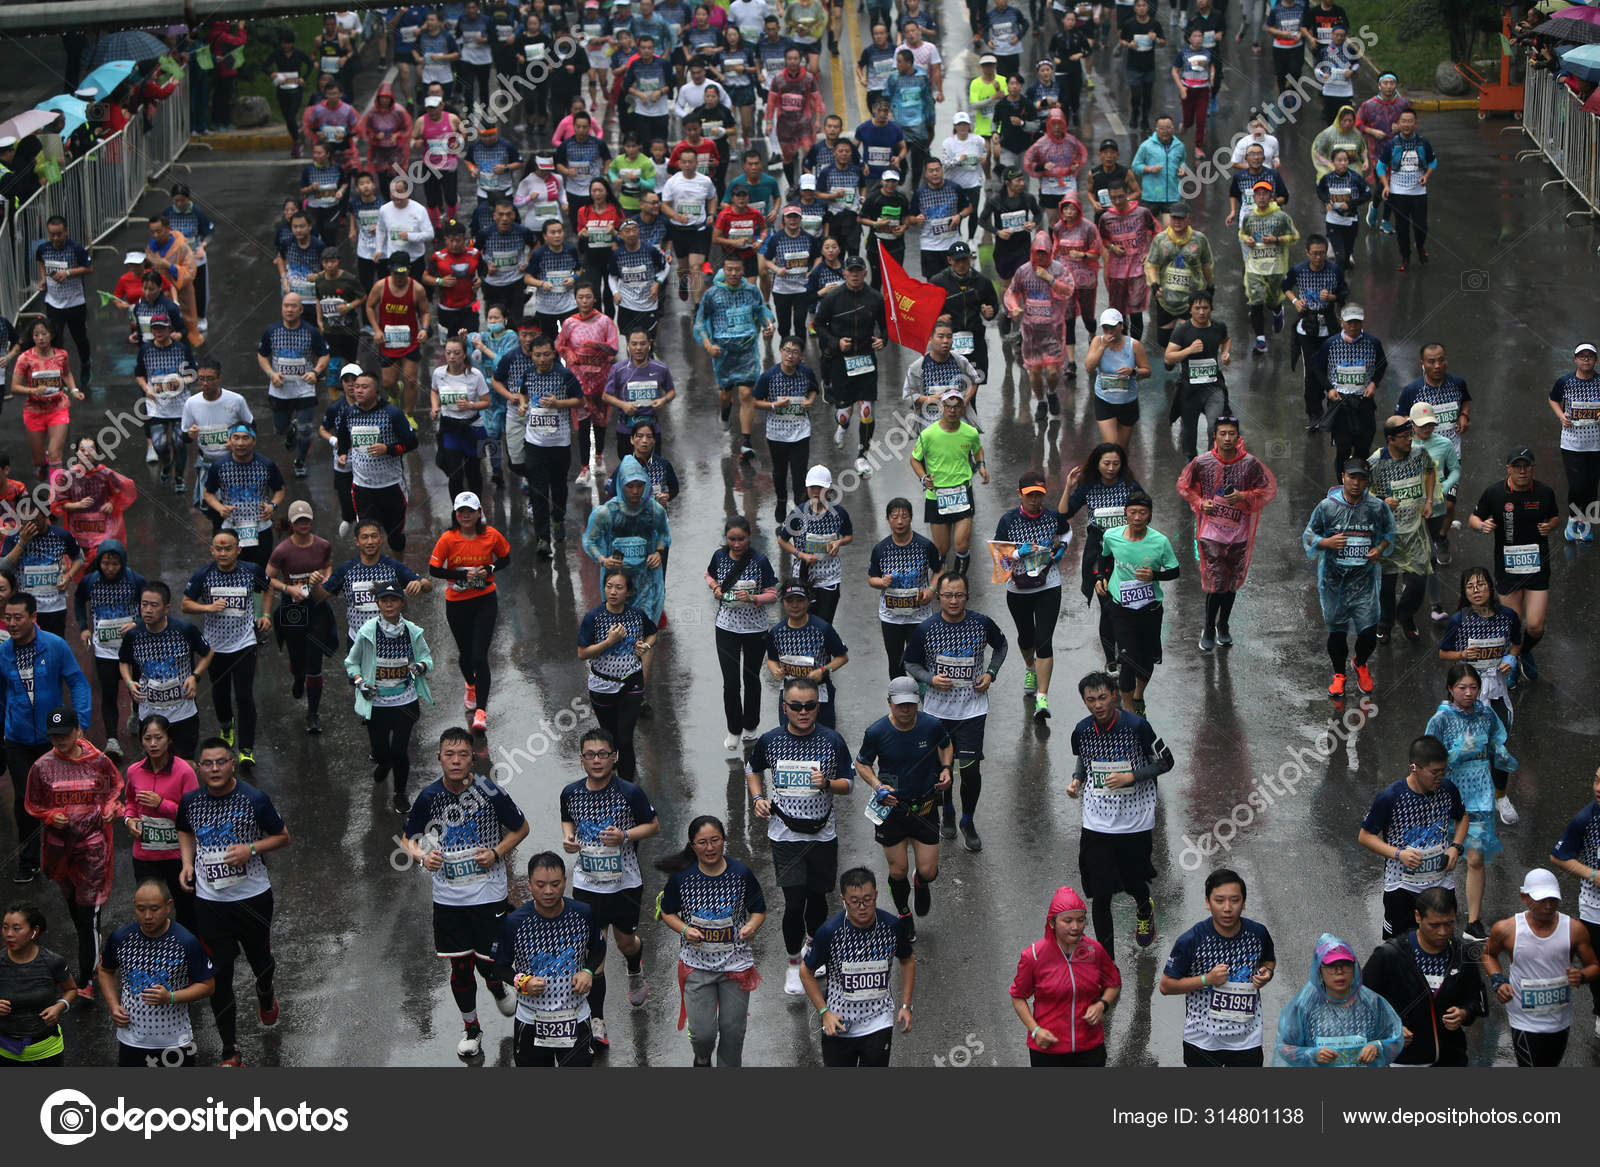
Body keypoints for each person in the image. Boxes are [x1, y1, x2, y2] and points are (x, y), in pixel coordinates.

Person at [400, 726, 525, 1060]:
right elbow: (408, 838)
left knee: (490, 965)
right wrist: (423, 856)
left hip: (488, 895)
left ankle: (497, 985)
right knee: (459, 968)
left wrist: (497, 852)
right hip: (448, 899)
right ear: (439, 758)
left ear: (473, 759)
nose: (456, 761)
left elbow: (521, 828)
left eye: (463, 755)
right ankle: (471, 1028)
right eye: (449, 754)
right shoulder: (428, 797)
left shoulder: (490, 792)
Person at [177, 739, 290, 1067]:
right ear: (199, 767)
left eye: (220, 762)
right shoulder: (191, 801)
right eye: (207, 764)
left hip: (252, 898)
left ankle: (265, 991)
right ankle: (230, 1049)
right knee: (219, 974)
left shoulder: (254, 799)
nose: (214, 769)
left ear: (231, 764)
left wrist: (252, 849)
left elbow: (283, 836)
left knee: (261, 962)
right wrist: (187, 863)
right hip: (210, 903)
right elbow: (184, 830)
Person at [744, 676, 852, 996]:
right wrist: (757, 798)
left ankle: (812, 948)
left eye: (810, 706)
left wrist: (828, 785)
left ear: (818, 707)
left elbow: (849, 784)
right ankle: (793, 965)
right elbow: (752, 768)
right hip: (785, 835)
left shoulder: (832, 741)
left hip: (821, 834)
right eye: (796, 706)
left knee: (818, 899)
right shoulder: (771, 740)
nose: (803, 712)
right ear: (785, 708)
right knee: (793, 903)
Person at [559, 728, 660, 1051]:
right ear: (581, 760)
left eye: (603, 754)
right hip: (587, 884)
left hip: (625, 883)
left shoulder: (630, 792)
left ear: (614, 757)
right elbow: (567, 820)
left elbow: (653, 826)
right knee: (594, 952)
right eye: (590, 755)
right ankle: (597, 1022)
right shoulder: (571, 793)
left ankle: (634, 967)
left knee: (625, 941)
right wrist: (569, 839)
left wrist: (626, 836)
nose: (597, 760)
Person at [1067, 669, 1173, 949]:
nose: (1097, 704)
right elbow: (1084, 759)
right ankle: (1107, 964)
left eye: (1102, 697)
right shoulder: (1082, 730)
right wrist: (1077, 780)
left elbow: (1166, 762)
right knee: (1101, 894)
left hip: (1134, 820)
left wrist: (1132, 776)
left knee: (1133, 882)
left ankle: (1143, 907)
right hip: (1096, 821)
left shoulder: (1138, 727)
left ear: (1114, 696)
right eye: (1091, 700)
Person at [902, 571, 1007, 851]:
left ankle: (968, 820)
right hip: (937, 712)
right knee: (940, 769)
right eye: (948, 595)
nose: (953, 601)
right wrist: (930, 679)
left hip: (972, 710)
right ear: (939, 597)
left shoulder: (981, 623)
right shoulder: (926, 628)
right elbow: (910, 663)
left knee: (971, 772)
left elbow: (1002, 645)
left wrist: (991, 673)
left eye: (959, 595)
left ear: (967, 596)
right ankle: (947, 811)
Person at [24, 708, 122, 996]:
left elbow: (113, 790)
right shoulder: (42, 767)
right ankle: (93, 951)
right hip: (59, 851)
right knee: (77, 914)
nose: (60, 741)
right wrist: (50, 815)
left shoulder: (99, 762)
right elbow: (33, 802)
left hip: (92, 850)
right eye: (54, 736)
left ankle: (88, 980)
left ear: (78, 731)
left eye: (65, 735)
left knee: (86, 913)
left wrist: (109, 808)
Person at [656, 816, 765, 1066]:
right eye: (702, 842)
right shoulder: (682, 878)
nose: (710, 847)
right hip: (697, 967)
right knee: (704, 1034)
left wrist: (751, 926)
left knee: (733, 1033)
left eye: (715, 840)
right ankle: (702, 1057)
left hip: (735, 967)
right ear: (692, 846)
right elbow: (667, 912)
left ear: (723, 841)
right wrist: (685, 930)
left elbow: (759, 910)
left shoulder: (741, 874)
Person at [0, 590, 93, 884]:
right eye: (7, 617)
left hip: (54, 737)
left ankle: (72, 852)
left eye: (18, 617)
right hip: (17, 739)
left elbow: (77, 682)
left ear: (33, 618)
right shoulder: (3, 653)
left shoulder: (54, 646)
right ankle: (28, 861)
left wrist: (80, 722)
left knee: (62, 794)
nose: (12, 623)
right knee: (25, 799)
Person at [856, 676, 952, 940]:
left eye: (911, 704)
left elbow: (945, 745)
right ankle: (903, 914)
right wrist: (877, 786)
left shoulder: (931, 725)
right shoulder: (876, 732)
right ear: (889, 703)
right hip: (893, 809)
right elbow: (862, 763)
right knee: (897, 871)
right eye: (900, 705)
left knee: (928, 871)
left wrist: (946, 769)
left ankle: (920, 882)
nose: (906, 710)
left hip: (925, 806)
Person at [490, 853, 604, 1068]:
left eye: (555, 884)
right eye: (541, 885)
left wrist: (588, 971)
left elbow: (599, 949)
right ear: (530, 885)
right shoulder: (514, 923)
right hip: (531, 1021)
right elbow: (498, 966)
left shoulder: (583, 914)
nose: (549, 891)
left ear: (565, 882)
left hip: (576, 1018)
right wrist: (522, 982)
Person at [1176, 417, 1276, 652]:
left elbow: (1267, 489)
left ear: (1238, 436)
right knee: (1216, 582)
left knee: (1231, 584)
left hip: (1239, 532)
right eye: (1223, 434)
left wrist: (1244, 496)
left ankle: (1224, 624)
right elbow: (1184, 486)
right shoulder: (1202, 462)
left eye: (1232, 434)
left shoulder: (1251, 464)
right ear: (1215, 436)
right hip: (1211, 533)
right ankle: (1209, 628)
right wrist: (1201, 502)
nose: (1228, 439)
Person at [1482, 868, 1600, 1066]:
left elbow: (1595, 966)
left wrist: (1581, 976)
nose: (1548, 906)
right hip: (1523, 1020)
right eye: (1541, 900)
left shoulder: (1574, 929)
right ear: (1524, 897)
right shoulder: (1507, 929)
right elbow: (1488, 954)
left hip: (1560, 1020)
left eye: (1553, 900)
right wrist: (1498, 980)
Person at [1159, 869, 1277, 1066]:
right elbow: (1166, 986)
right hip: (1202, 1040)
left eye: (1235, 900)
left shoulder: (1258, 933)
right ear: (1208, 902)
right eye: (1219, 900)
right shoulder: (1191, 940)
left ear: (1244, 902)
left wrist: (1267, 973)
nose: (1227, 908)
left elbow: (1268, 960)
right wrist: (1207, 980)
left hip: (1247, 1041)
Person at [799, 868, 915, 1066]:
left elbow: (907, 960)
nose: (862, 907)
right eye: (855, 901)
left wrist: (905, 1005)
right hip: (839, 1023)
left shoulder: (891, 927)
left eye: (868, 899)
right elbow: (806, 972)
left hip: (879, 1021)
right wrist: (824, 1012)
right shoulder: (829, 932)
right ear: (844, 900)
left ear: (876, 895)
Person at [1361, 886, 1487, 1067]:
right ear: (1418, 917)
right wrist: (1389, 1028)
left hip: (1451, 1059)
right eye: (1434, 925)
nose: (1443, 932)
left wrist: (1464, 1013)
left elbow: (1476, 1000)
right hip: (1402, 1061)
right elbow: (1361, 1001)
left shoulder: (1462, 955)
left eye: (1449, 923)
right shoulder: (1389, 955)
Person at [1358, 735, 1468, 941]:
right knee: (1399, 947)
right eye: (1434, 773)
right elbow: (1365, 836)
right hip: (1402, 886)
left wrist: (1456, 847)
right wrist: (1398, 854)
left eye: (1443, 771)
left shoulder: (1447, 789)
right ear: (1414, 768)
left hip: (1441, 883)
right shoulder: (1390, 797)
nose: (1439, 778)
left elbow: (1462, 817)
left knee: (1443, 941)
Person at [98, 877, 215, 1067]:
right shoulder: (121, 938)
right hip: (131, 1041)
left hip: (175, 1042)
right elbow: (104, 971)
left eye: (154, 909)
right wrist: (113, 1006)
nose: (147, 916)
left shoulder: (186, 942)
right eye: (140, 909)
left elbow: (208, 985)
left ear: (168, 906)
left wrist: (170, 997)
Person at [1469, 447, 1560, 682]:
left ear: (1532, 468)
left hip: (1537, 567)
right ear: (1508, 469)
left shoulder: (1544, 492)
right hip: (1507, 568)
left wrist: (1550, 526)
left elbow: (1555, 517)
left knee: (1536, 626)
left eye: (1527, 466)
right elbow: (1473, 517)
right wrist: (1482, 526)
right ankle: (1510, 663)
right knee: (1512, 625)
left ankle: (1525, 651)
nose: (1522, 471)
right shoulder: (1494, 493)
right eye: (1517, 466)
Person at [992, 471, 1073, 719]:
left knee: (1044, 640)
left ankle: (1042, 699)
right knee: (1026, 637)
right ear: (1020, 495)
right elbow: (997, 554)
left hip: (1048, 584)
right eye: (1030, 495)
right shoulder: (1008, 521)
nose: (1035, 500)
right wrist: (1017, 554)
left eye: (1039, 495)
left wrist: (1061, 549)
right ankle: (1030, 667)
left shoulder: (1052, 517)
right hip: (1018, 589)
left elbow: (1067, 532)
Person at [1009, 885, 1121, 1066]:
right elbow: (1018, 997)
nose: (1075, 927)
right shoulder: (1034, 956)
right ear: (1052, 923)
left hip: (1090, 1047)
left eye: (1080, 920)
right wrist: (1035, 1030)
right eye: (1067, 921)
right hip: (1048, 1050)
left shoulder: (1094, 950)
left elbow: (1113, 983)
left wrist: (1102, 1004)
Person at [428, 494, 510, 732]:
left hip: (485, 600)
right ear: (455, 514)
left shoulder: (491, 535)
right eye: (461, 512)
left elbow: (505, 558)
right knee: (465, 654)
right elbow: (434, 570)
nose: (465, 516)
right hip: (457, 603)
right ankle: (470, 685)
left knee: (479, 656)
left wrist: (490, 568)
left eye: (470, 511)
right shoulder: (447, 539)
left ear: (479, 512)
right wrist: (461, 575)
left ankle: (481, 713)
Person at [1094, 490, 1178, 713]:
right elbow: (1104, 556)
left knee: (1147, 659)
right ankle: (1130, 711)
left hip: (1150, 608)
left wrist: (1155, 576)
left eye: (1143, 513)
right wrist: (1101, 576)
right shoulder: (1112, 535)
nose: (1138, 517)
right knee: (1127, 658)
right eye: (1133, 512)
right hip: (1121, 607)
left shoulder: (1160, 542)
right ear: (1126, 514)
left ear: (1149, 515)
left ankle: (1139, 696)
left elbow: (1175, 570)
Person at [577, 571, 659, 781]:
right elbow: (582, 653)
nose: (613, 591)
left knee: (625, 739)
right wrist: (608, 642)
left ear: (629, 591)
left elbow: (653, 632)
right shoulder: (593, 618)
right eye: (609, 586)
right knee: (610, 737)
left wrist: (646, 645)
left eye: (619, 587)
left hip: (631, 683)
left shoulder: (637, 615)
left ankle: (627, 788)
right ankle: (611, 776)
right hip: (602, 686)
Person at [1275, 933, 1404, 1066]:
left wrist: (1377, 1047)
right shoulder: (1305, 1005)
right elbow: (1285, 1046)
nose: (1339, 971)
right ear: (1320, 969)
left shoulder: (1372, 1002)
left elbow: (1395, 1037)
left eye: (1345, 965)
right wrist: (1312, 1055)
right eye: (1332, 966)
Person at [121, 715, 200, 933]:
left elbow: (194, 814)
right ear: (141, 741)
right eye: (148, 738)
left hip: (178, 856)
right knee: (150, 911)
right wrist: (130, 820)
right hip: (145, 856)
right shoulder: (134, 771)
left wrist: (161, 804)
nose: (153, 744)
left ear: (169, 739)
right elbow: (129, 801)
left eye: (158, 737)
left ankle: (189, 955)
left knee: (187, 911)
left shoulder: (184, 771)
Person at [707, 516, 779, 750]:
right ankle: (733, 729)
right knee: (730, 682)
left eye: (741, 539)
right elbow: (709, 575)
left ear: (749, 538)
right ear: (726, 539)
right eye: (732, 539)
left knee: (751, 678)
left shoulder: (760, 561)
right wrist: (716, 587)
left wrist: (754, 598)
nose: (737, 544)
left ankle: (751, 725)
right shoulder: (719, 557)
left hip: (755, 628)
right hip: (726, 626)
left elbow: (772, 593)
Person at [119, 583, 212, 763]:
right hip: (150, 713)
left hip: (182, 712)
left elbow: (208, 653)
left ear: (166, 608)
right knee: (155, 764)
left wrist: (195, 676)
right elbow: (124, 662)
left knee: (187, 764)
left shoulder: (184, 630)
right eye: (144, 604)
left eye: (154, 605)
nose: (147, 610)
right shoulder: (134, 635)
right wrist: (130, 683)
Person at [511, 333, 584, 555]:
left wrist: (558, 403)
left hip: (559, 443)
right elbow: (523, 395)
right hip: (534, 442)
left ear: (553, 353)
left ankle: (558, 518)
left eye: (546, 354)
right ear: (531, 355)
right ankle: (542, 538)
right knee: (538, 490)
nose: (542, 359)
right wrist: (523, 406)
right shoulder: (528, 374)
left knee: (559, 486)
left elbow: (580, 400)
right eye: (537, 355)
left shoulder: (564, 375)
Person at [814, 255, 887, 473]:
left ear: (865, 273)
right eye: (851, 271)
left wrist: (883, 339)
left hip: (866, 361)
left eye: (859, 271)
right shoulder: (833, 298)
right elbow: (819, 325)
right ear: (844, 273)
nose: (855, 275)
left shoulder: (875, 298)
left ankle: (862, 454)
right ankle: (843, 425)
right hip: (841, 362)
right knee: (844, 412)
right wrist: (836, 342)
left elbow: (885, 327)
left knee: (866, 410)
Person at [1368, 415, 1435, 643]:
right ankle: (1385, 622)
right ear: (1390, 439)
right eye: (1405, 437)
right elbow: (1359, 491)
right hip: (1387, 534)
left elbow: (1430, 470)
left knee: (1418, 582)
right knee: (1387, 585)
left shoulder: (1419, 454)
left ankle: (1405, 615)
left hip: (1415, 531)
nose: (1410, 440)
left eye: (1410, 435)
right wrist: (1381, 501)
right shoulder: (1376, 461)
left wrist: (1427, 501)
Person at [333, 373, 418, 554]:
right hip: (363, 488)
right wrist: (342, 454)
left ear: (376, 390)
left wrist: (388, 449)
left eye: (365, 387)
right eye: (356, 387)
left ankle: (398, 571)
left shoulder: (392, 413)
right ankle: (373, 576)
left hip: (391, 486)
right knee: (367, 536)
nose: (359, 390)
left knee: (395, 539)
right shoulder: (349, 414)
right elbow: (343, 438)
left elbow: (412, 442)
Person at [867, 498, 944, 679]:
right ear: (888, 519)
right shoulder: (881, 549)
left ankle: (925, 698)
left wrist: (931, 589)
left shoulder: (925, 545)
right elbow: (871, 579)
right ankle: (898, 700)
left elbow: (940, 569)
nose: (900, 521)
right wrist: (881, 582)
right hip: (891, 616)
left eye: (904, 516)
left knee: (920, 659)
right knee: (895, 661)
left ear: (911, 518)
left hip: (919, 614)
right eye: (895, 517)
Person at [1005, 234, 1078, 421]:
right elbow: (1012, 293)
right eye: (1037, 253)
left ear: (1050, 253)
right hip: (1031, 331)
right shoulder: (1023, 271)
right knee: (1035, 372)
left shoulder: (1059, 269)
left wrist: (1050, 279)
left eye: (1044, 254)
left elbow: (1069, 290)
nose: (1041, 258)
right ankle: (1041, 401)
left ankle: (1052, 392)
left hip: (1053, 330)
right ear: (1032, 252)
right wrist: (1014, 308)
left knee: (1053, 371)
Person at [1551, 768, 1600, 1038]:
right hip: (1595, 911)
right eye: (1595, 779)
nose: (1598, 787)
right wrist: (1592, 874)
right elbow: (1559, 856)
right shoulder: (1587, 818)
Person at [750, 338, 821, 519]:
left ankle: (800, 510)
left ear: (801, 356)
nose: (790, 355)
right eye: (787, 350)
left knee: (800, 474)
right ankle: (781, 500)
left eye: (795, 352)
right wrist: (774, 405)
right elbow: (754, 402)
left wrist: (810, 401)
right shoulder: (769, 376)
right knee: (780, 473)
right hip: (777, 434)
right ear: (781, 351)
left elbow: (814, 389)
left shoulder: (806, 373)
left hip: (801, 432)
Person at [0, 902, 77, 1066]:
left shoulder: (53, 961)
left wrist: (60, 1006)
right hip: (5, 1051)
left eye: (16, 928)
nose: (8, 934)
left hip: (47, 1051)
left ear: (34, 931)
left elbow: (70, 989)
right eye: (5, 927)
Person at [775, 469, 853, 625]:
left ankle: (824, 650)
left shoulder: (838, 513)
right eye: (813, 488)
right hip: (803, 578)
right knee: (803, 622)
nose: (816, 492)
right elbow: (782, 540)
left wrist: (839, 542)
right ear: (807, 488)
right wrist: (800, 555)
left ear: (829, 488)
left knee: (824, 624)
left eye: (821, 488)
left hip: (830, 579)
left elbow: (849, 536)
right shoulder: (798, 514)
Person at [10, 318, 84, 480]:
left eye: (44, 334)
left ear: (51, 335)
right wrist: (33, 390)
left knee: (55, 454)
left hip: (58, 407)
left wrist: (74, 390)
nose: (40, 338)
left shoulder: (61, 355)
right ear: (32, 337)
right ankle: (42, 464)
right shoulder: (25, 358)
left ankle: (57, 496)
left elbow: (66, 373)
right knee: (37, 459)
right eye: (36, 335)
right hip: (34, 411)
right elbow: (14, 387)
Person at [365, 253, 430, 426]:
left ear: (409, 270)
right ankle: (394, 393)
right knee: (387, 383)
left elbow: (425, 312)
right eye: (396, 273)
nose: (399, 278)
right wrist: (376, 330)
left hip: (410, 342)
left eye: (403, 273)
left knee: (411, 380)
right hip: (388, 342)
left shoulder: (417, 289)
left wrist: (424, 329)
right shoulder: (380, 286)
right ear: (390, 271)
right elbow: (369, 306)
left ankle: (408, 414)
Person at [181, 358, 253, 511]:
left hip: (233, 462)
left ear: (219, 378)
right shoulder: (191, 403)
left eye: (210, 379)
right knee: (209, 508)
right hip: (206, 463)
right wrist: (190, 435)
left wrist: (237, 441)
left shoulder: (236, 400)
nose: (205, 383)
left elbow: (251, 427)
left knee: (235, 506)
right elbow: (185, 436)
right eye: (201, 379)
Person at [1236, 180, 1297, 354]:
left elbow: (1293, 236)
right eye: (1258, 194)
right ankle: (1260, 340)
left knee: (1271, 301)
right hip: (1255, 267)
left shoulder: (1281, 217)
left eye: (1265, 193)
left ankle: (1278, 311)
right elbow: (1242, 233)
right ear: (1253, 197)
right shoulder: (1249, 217)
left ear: (1271, 197)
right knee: (1255, 301)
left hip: (1275, 267)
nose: (1261, 197)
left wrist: (1276, 240)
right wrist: (1246, 239)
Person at [0, 512, 84, 638]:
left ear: (46, 516)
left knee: (53, 647)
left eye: (35, 520)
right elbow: (4, 568)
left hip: (55, 607)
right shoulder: (14, 537)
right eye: (26, 520)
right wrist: (22, 542)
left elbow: (79, 558)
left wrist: (69, 576)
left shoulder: (61, 535)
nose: (30, 525)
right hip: (24, 607)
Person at [1143, 203, 1213, 353]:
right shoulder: (1160, 239)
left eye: (1181, 218)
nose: (1177, 221)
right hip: (1166, 298)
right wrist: (1154, 284)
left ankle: (1184, 365)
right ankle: (1173, 357)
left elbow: (1206, 264)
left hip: (1190, 298)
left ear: (1189, 219)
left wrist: (1210, 285)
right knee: (1163, 340)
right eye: (1174, 217)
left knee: (1189, 338)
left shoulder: (1199, 239)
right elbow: (1151, 264)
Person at [33, 216, 94, 388]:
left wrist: (68, 272)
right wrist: (43, 279)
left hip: (75, 302)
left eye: (59, 234)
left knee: (79, 338)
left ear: (66, 232)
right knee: (55, 339)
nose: (55, 238)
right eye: (52, 234)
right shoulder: (43, 249)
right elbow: (40, 261)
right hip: (53, 303)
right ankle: (59, 373)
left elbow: (89, 268)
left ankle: (85, 364)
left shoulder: (75, 248)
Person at [1548, 342, 1600, 542]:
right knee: (1577, 484)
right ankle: (1572, 519)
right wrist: (1561, 415)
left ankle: (1586, 522)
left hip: (1595, 444)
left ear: (1595, 360)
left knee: (1591, 485)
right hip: (1572, 443)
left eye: (1590, 356)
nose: (1586, 359)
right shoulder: (1565, 381)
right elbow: (1553, 399)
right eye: (1582, 356)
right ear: (1575, 359)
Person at [928, 244, 999, 382]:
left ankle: (969, 403)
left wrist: (990, 312)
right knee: (949, 386)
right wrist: (939, 318)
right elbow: (927, 310)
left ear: (971, 258)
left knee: (973, 382)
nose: (961, 265)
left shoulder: (982, 282)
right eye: (957, 261)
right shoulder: (937, 282)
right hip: (947, 340)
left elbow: (993, 306)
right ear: (949, 260)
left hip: (975, 340)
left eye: (964, 260)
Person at [1375, 110, 1434, 272]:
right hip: (1398, 194)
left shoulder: (1423, 143)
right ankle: (1405, 257)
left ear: (1416, 124)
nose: (1406, 125)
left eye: (1410, 121)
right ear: (1399, 124)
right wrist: (1386, 185)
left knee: (1421, 226)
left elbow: (1432, 162)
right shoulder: (1392, 145)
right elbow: (1380, 166)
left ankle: (1420, 247)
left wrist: (1427, 176)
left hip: (1419, 193)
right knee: (1401, 228)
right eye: (1404, 121)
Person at [1097, 186, 1157, 343]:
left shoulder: (1142, 213)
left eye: (1121, 197)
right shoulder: (1106, 217)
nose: (1117, 201)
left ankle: (1135, 347)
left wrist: (1150, 253)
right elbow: (1102, 238)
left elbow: (1156, 231)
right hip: (1116, 272)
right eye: (1114, 198)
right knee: (1119, 313)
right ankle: (1122, 347)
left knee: (1136, 312)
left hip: (1137, 270)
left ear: (1128, 195)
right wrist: (1111, 247)